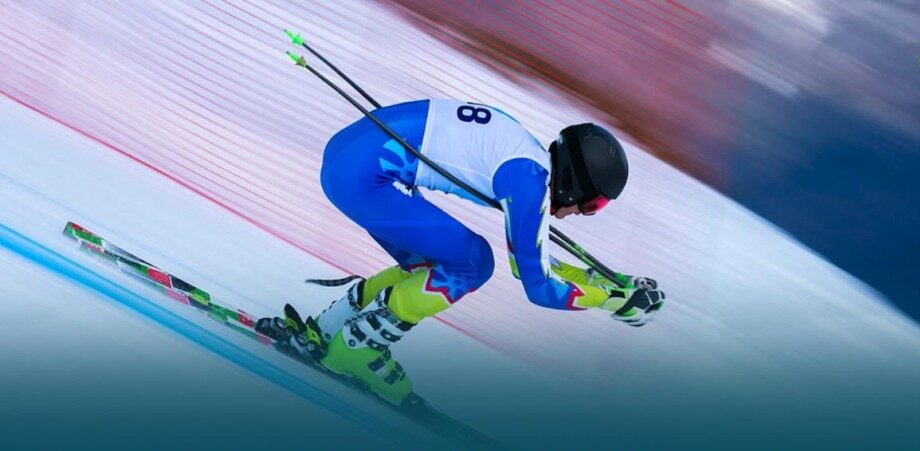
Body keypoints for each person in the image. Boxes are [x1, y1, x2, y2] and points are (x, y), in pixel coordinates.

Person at [258, 99, 665, 405]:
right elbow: (538, 285)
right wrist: (613, 301)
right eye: (592, 205)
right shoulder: (527, 183)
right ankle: (357, 349)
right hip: (365, 178)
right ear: (576, 182)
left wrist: (610, 285)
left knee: (436, 267)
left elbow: (537, 259)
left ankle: (328, 330)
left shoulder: (525, 158)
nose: (581, 214)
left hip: (349, 161)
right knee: (474, 263)